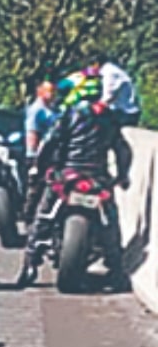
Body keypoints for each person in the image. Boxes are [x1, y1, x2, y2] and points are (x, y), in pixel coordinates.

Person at [18, 72, 133, 291]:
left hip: (67, 174)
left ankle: (30, 264)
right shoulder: (110, 118)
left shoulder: (69, 115)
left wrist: (42, 170)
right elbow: (122, 150)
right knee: (110, 223)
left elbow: (49, 143)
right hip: (97, 177)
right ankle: (116, 269)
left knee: (42, 218)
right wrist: (123, 175)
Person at [88, 54, 141, 127]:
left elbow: (109, 96)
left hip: (124, 112)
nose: (91, 69)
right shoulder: (112, 69)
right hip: (124, 111)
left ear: (97, 64)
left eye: (91, 65)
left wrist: (95, 107)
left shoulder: (109, 72)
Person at [24, 82, 58, 161]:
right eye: (50, 91)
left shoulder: (52, 109)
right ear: (40, 91)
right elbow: (32, 131)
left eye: (54, 91)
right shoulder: (36, 109)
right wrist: (31, 155)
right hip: (43, 151)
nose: (53, 94)